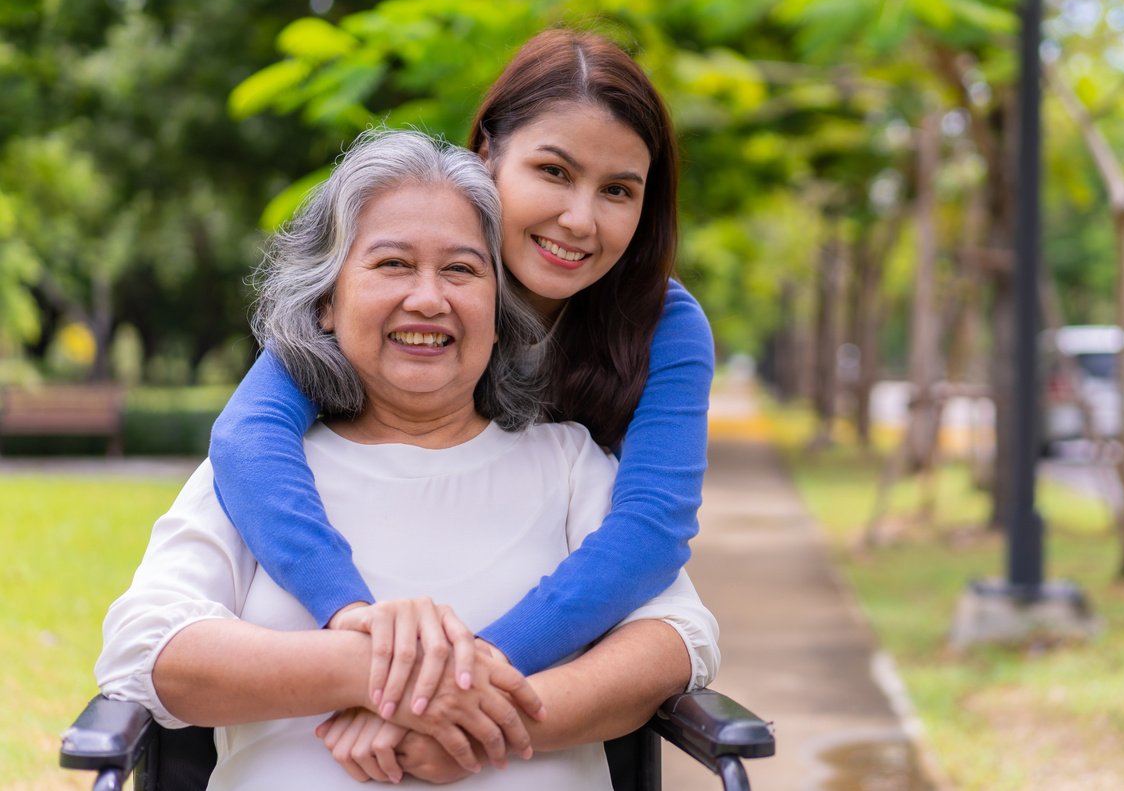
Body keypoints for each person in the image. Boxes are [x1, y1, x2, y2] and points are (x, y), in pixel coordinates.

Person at [96, 130, 719, 790]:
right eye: (393, 264)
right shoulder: (262, 474)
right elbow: (145, 645)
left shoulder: (568, 464)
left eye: (460, 269)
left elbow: (677, 635)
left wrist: (479, 721)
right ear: (328, 302)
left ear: (500, 310)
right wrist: (371, 667)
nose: (428, 298)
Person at [206, 29, 713, 733]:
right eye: (555, 172)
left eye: (618, 190)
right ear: (487, 156)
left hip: (542, 647)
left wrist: (455, 679)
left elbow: (650, 530)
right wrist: (354, 619)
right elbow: (247, 436)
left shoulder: (665, 325)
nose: (580, 217)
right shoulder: (403, 291)